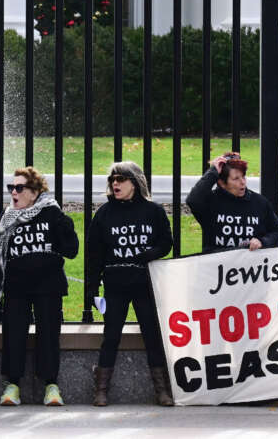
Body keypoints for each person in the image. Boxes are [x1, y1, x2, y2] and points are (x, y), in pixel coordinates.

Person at [0, 166, 79, 407]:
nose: (13, 193)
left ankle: (51, 385)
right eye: (11, 188)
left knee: (48, 333)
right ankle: (12, 385)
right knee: (13, 334)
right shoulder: (8, 217)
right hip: (16, 286)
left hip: (48, 285)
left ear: (35, 192)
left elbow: (71, 249)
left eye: (19, 188)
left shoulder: (52, 214)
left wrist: (62, 223)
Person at [85, 161, 173, 407]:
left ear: (135, 182)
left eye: (121, 180)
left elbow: (167, 243)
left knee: (152, 335)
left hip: (143, 283)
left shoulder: (153, 211)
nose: (115, 184)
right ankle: (101, 390)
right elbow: (94, 254)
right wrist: (92, 287)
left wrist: (150, 253)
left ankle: (162, 390)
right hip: (115, 284)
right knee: (110, 336)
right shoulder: (104, 214)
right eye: (112, 180)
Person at [186, 152, 278, 253]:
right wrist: (212, 172)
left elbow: (276, 232)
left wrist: (263, 241)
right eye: (236, 178)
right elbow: (192, 200)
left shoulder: (260, 203)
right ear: (222, 183)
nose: (243, 182)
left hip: (251, 266)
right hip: (217, 265)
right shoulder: (211, 202)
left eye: (243, 176)